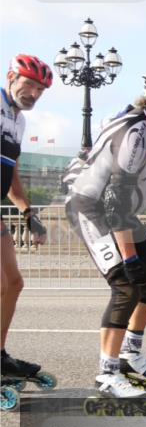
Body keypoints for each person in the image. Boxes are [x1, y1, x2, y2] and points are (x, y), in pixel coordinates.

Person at [64, 72, 146, 405]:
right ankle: (107, 373)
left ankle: (130, 353)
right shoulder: (137, 131)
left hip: (118, 212)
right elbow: (115, 199)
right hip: (93, 209)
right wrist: (130, 256)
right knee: (127, 282)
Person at [1, 55, 54, 391]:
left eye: (40, 88)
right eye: (29, 83)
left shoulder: (18, 121)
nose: (33, 92)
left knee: (14, 283)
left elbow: (11, 175)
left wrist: (27, 212)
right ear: (10, 77)